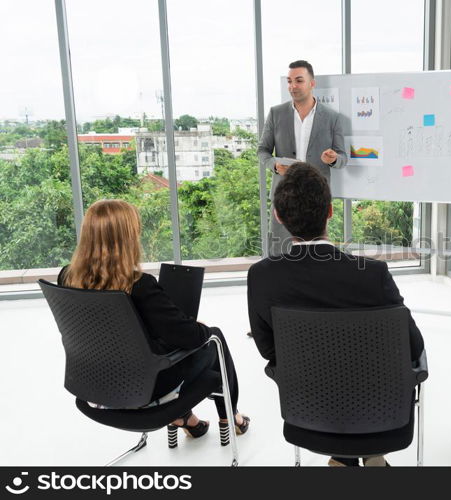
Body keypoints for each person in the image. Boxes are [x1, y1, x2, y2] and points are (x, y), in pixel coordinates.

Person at [247, 163, 425, 467]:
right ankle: (370, 455)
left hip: (309, 411)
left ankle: (344, 459)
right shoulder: (372, 274)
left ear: (278, 215)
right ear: (330, 211)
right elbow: (413, 345)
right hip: (380, 413)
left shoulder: (262, 277)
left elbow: (268, 350)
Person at [58, 199, 250, 443]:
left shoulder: (67, 277)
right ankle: (230, 416)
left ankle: (186, 419)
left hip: (94, 387)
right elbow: (190, 338)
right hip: (143, 391)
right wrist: (196, 326)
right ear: (127, 238)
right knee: (214, 337)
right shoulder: (139, 285)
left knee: (162, 339)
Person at [257, 59, 347, 257]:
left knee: (316, 255)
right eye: (289, 81)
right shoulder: (276, 113)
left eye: (298, 80)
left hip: (316, 196)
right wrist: (274, 165)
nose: (293, 86)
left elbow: (342, 158)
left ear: (312, 83)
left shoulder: (332, 118)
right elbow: (262, 150)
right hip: (284, 194)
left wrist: (332, 158)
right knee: (279, 254)